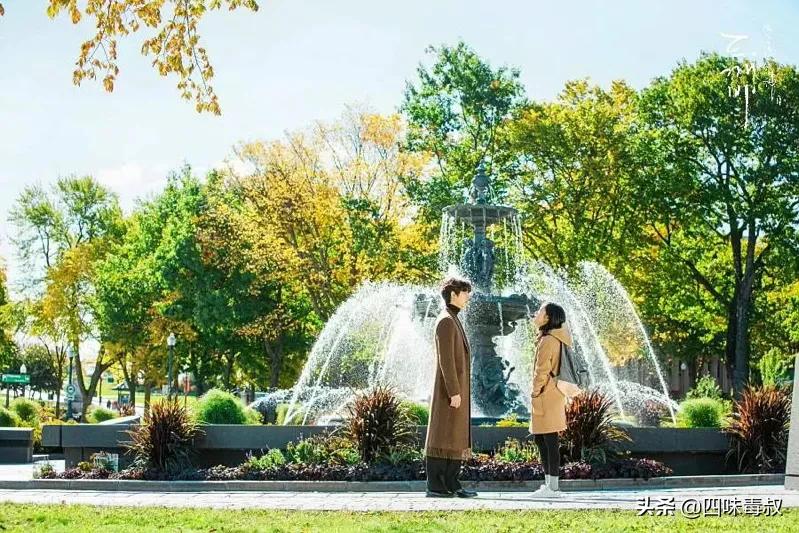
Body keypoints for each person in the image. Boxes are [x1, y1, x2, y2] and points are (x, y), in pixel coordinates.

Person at [424, 276, 477, 498]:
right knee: (442, 434)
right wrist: (454, 391)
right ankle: (436, 486)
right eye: (465, 292)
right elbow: (446, 360)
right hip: (449, 391)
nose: (468, 297)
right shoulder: (446, 320)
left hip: (456, 390)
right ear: (454, 294)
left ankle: (452, 483)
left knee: (453, 435)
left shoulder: (453, 318)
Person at [530, 301, 571, 497]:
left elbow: (542, 370)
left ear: (547, 318)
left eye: (540, 312)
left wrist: (535, 391)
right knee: (543, 438)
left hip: (546, 392)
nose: (536, 314)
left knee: (549, 439)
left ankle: (552, 487)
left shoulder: (548, 341)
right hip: (553, 392)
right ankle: (549, 484)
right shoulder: (556, 338)